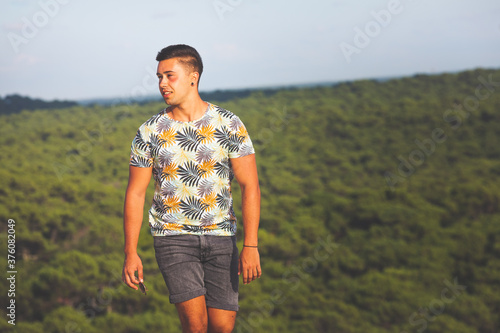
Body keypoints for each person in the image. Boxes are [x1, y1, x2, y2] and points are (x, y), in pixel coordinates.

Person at [121, 44, 261, 333]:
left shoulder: (229, 123)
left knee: (223, 327)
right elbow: (135, 193)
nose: (162, 83)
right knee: (195, 327)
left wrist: (251, 245)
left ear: (193, 77)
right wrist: (130, 252)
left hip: (222, 237)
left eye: (169, 76)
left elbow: (250, 186)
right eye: (159, 76)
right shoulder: (149, 131)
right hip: (172, 239)